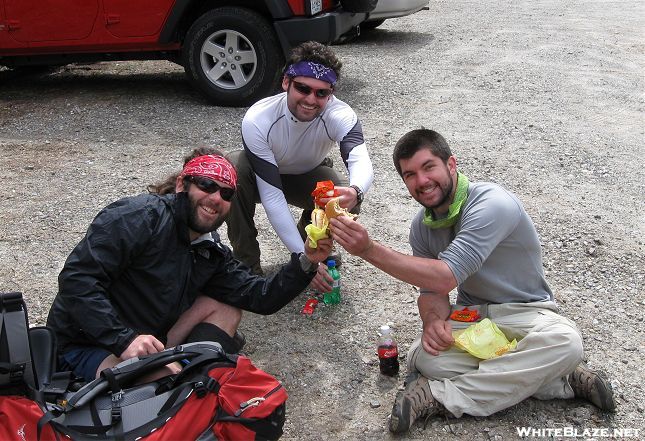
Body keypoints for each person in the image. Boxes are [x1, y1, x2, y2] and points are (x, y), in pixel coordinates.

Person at [329, 129, 616, 433]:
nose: (422, 181)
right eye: (410, 174)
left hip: (526, 313)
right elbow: (432, 292)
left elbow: (445, 275)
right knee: (424, 358)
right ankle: (558, 380)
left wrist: (369, 250)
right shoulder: (422, 226)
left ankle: (439, 396)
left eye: (429, 167)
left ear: (451, 164)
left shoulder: (491, 203)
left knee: (566, 343)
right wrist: (433, 321)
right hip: (476, 319)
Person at [47, 152, 331, 382]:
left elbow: (261, 296)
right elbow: (77, 280)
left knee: (226, 309)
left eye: (226, 193)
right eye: (206, 185)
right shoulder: (137, 218)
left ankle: (184, 371)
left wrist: (307, 260)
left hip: (147, 341)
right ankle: (175, 376)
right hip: (88, 343)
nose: (216, 198)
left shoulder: (208, 250)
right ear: (183, 185)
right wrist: (124, 341)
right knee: (174, 389)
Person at [226, 40, 373, 290]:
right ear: (286, 83)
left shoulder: (340, 114)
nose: (310, 99)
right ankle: (247, 265)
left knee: (341, 191)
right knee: (233, 169)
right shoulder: (258, 118)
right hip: (261, 177)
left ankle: (314, 246)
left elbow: (359, 158)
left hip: (304, 174)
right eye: (303, 88)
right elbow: (272, 197)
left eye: (321, 93)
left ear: (331, 93)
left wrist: (356, 191)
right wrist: (300, 259)